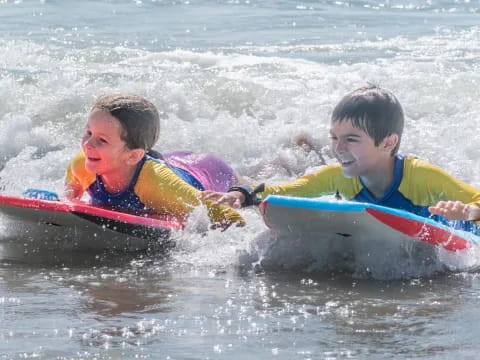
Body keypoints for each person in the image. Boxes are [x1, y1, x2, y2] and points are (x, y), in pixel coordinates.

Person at [202, 85, 480, 230]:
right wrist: (242, 194)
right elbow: (284, 190)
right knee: (293, 175)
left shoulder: (420, 177)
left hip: (449, 229)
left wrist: (470, 212)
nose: (338, 148)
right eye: (334, 138)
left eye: (351, 139)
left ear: (388, 142)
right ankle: (299, 149)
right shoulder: (340, 175)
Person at [65, 93, 244, 228]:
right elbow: (70, 192)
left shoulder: (157, 184)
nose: (87, 144)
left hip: (207, 169)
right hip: (171, 160)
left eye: (102, 140)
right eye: (88, 132)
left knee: (247, 187)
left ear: (133, 155)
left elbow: (229, 217)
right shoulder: (83, 164)